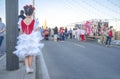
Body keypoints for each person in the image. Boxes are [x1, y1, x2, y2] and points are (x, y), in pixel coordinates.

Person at [13, 5, 44, 73]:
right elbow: (34, 30)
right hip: (31, 39)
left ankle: (27, 68)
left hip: (24, 38)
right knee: (31, 54)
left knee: (26, 54)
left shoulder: (22, 21)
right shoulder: (33, 21)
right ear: (32, 13)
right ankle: (29, 68)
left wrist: (20, 39)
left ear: (25, 13)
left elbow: (21, 31)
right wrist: (38, 28)